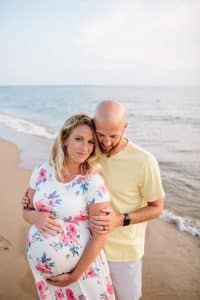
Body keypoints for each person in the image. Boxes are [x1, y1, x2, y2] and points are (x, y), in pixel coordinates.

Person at [23, 101, 165, 300]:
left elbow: (157, 208)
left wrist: (120, 219)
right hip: (87, 248)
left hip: (123, 251)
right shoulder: (90, 153)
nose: (106, 142)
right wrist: (33, 209)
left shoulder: (144, 161)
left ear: (125, 127)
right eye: (101, 135)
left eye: (113, 136)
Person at [23, 114, 116, 300]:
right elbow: (26, 210)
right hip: (45, 277)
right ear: (65, 139)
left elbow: (101, 236)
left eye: (90, 142)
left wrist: (75, 275)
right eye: (79, 139)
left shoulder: (93, 182)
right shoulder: (42, 171)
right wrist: (35, 217)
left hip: (82, 272)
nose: (85, 147)